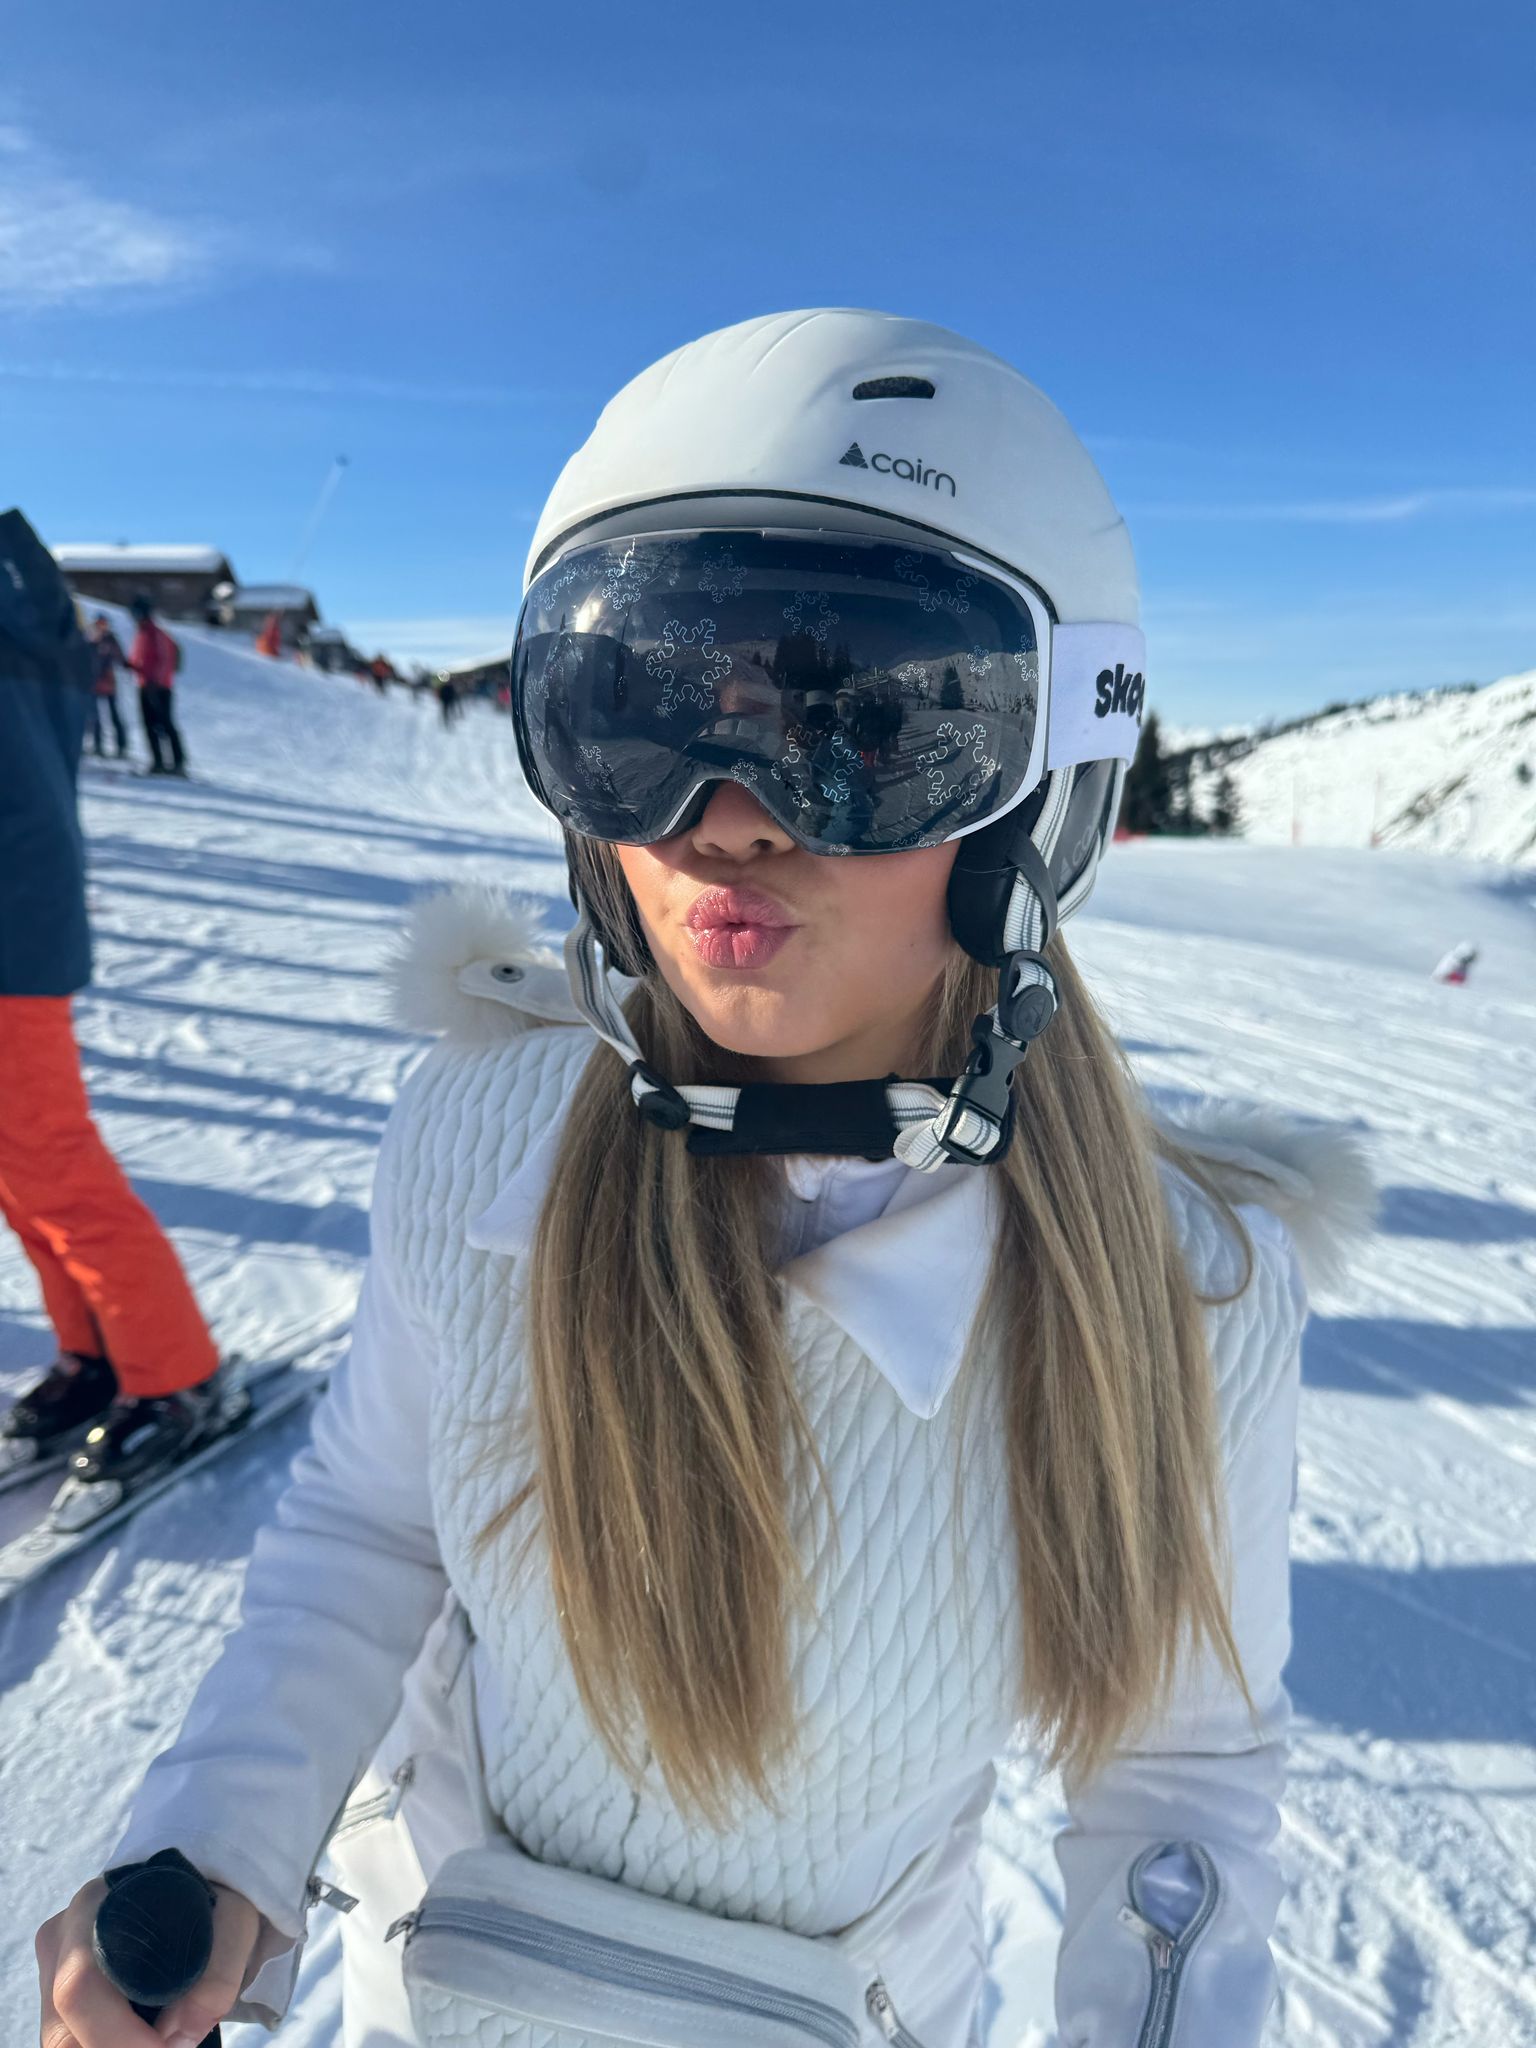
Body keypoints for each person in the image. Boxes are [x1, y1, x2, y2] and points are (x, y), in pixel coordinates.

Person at [37, 314, 1370, 2048]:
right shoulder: (478, 1135)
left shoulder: (1188, 1292)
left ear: (1049, 785)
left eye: (862, 727)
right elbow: (371, 1529)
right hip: (442, 1993)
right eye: (635, 710)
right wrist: (215, 1838)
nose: (724, 816)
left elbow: (1179, 1775)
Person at [0, 512, 220, 1498]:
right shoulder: (28, 597)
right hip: (21, 917)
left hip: (13, 931)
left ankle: (177, 1376)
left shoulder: (23, 603)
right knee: (20, 1175)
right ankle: (95, 1350)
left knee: (52, 1166)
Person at [125, 593, 189, 776]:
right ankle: (158, 762)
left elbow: (163, 659)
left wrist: (156, 681)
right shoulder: (143, 632)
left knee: (165, 723)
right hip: (146, 684)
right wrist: (131, 665)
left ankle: (178, 762)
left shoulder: (155, 633)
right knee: (149, 724)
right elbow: (143, 659)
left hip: (158, 687)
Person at [85, 613, 129, 759]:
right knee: (95, 716)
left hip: (108, 683)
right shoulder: (90, 640)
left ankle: (122, 746)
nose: (102, 627)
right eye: (100, 624)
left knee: (114, 715)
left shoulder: (111, 640)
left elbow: (120, 658)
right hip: (94, 683)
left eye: (104, 624)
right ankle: (98, 745)